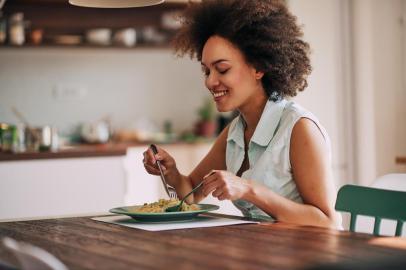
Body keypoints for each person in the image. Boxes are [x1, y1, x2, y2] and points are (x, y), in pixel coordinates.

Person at [143, 0, 341, 228]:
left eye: (222, 69)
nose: (210, 81)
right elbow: (192, 195)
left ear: (258, 68)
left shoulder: (299, 128)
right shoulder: (236, 131)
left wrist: (248, 189)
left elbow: (328, 222)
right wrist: (171, 172)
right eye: (206, 70)